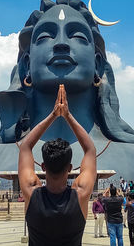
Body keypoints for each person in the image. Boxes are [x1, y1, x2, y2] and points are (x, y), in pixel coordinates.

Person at [18, 85, 97, 245]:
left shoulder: (31, 192)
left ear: (42, 166)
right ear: (69, 168)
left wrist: (53, 115)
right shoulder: (80, 194)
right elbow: (90, 150)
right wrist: (67, 115)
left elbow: (25, 146)